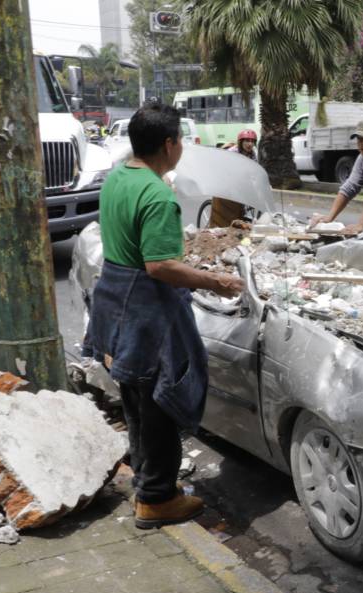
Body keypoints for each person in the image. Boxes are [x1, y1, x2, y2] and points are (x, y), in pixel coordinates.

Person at [85, 102, 244, 529]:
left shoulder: (119, 176)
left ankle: (148, 483)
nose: (183, 147)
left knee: (136, 399)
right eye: (181, 140)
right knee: (161, 404)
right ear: (169, 143)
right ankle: (156, 500)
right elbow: (161, 267)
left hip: (116, 299)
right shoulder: (157, 195)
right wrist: (218, 282)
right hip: (146, 308)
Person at [210, 129, 260, 227]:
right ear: (241, 142)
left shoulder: (252, 154)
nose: (250, 144)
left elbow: (255, 170)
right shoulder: (232, 152)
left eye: (252, 141)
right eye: (247, 141)